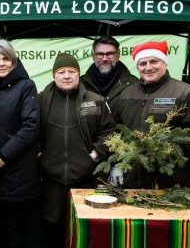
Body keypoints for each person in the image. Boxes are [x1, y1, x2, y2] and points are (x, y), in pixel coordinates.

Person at [38, 53, 116, 248]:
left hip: (86, 177)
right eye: (61, 72)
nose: (66, 76)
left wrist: (94, 155)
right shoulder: (41, 100)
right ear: (54, 76)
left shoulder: (96, 101)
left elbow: (109, 132)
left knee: (84, 227)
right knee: (52, 228)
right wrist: (39, 155)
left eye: (71, 71)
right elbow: (29, 131)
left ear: (78, 75)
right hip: (52, 179)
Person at [0, 40, 41, 248]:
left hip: (18, 175)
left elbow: (30, 128)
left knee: (16, 234)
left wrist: (2, 156)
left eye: (6, 58)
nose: (1, 63)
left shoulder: (26, 86)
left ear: (14, 61)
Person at [114, 40, 190, 189]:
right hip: (131, 179)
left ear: (165, 62)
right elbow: (117, 130)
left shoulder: (185, 92)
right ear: (137, 66)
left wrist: (163, 147)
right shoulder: (126, 94)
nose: (148, 67)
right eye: (143, 63)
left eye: (154, 61)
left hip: (171, 180)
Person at [81, 35, 138, 116]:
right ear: (93, 57)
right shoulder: (81, 84)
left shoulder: (133, 84)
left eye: (110, 54)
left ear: (118, 56)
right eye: (100, 54)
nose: (104, 59)